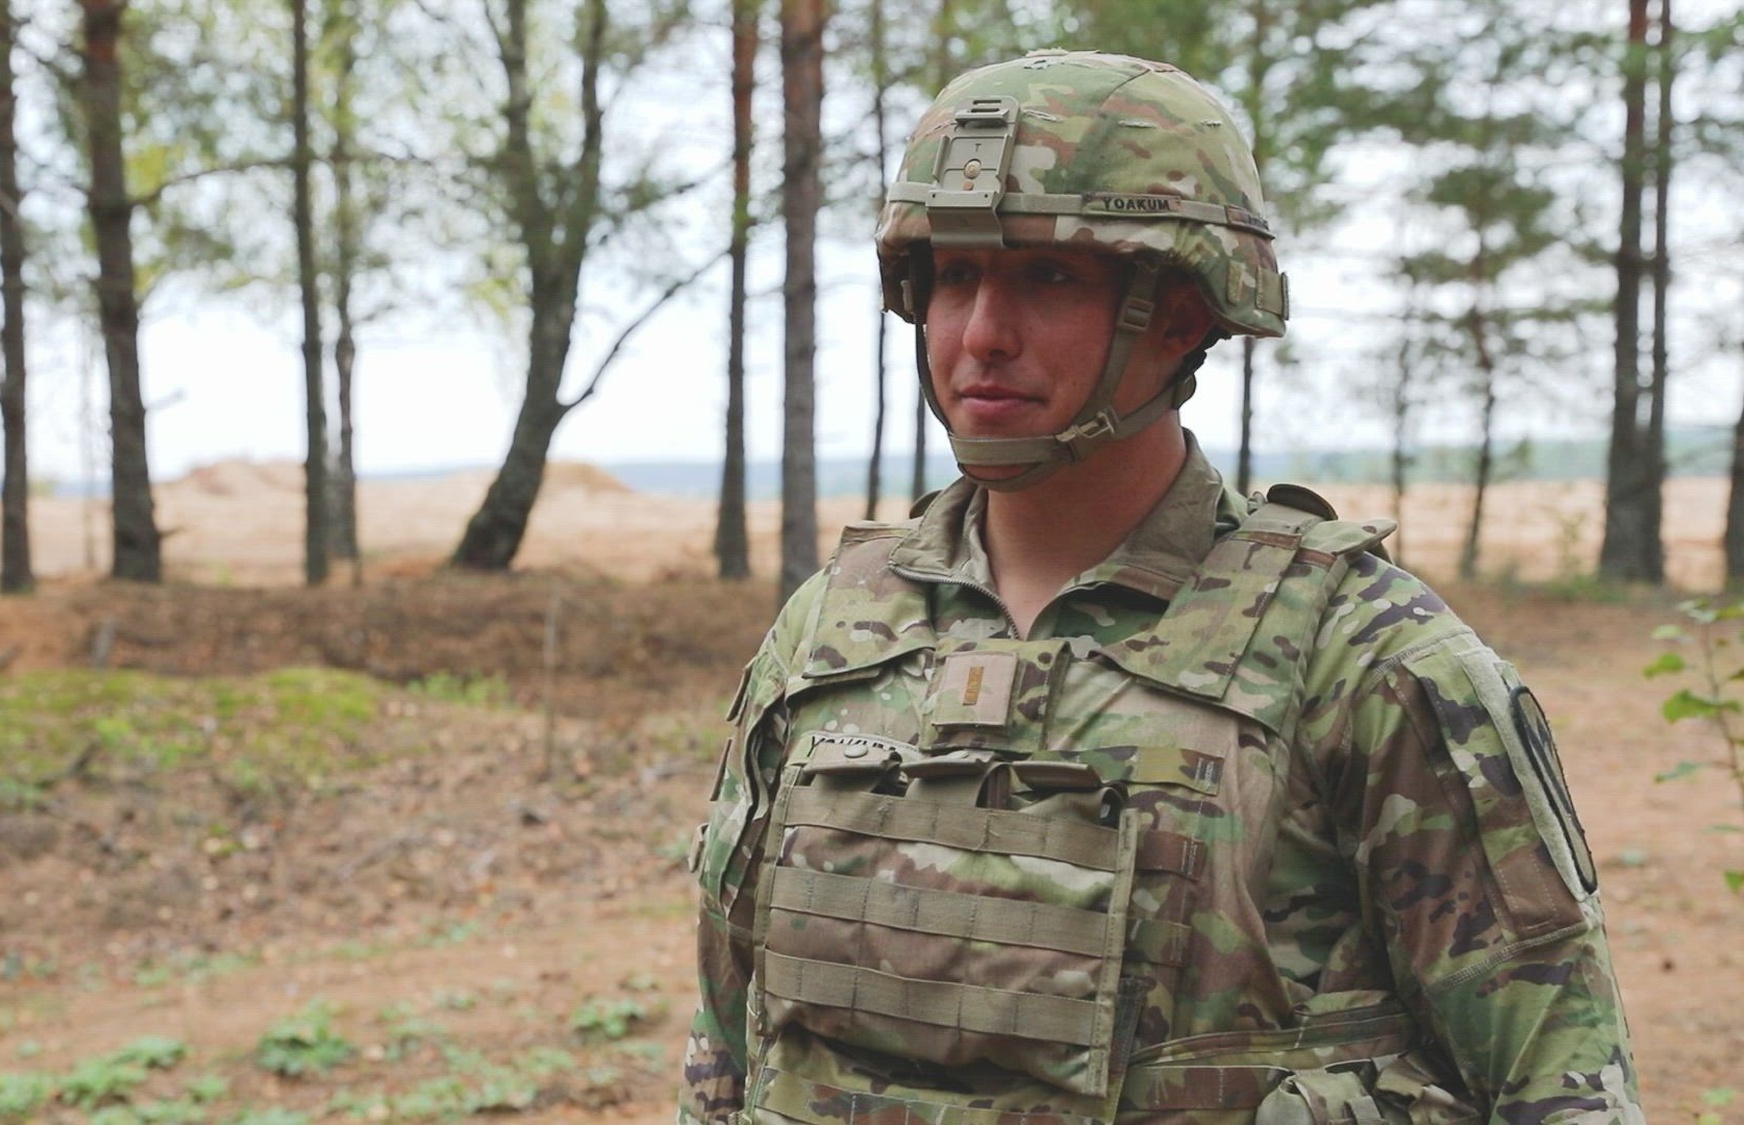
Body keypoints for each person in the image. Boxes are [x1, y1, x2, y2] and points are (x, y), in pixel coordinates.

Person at [679, 49, 1642, 1125]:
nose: (980, 335)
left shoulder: (1360, 656)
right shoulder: (835, 628)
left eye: (1047, 278)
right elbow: (730, 1038)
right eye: (954, 275)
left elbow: (1555, 1079)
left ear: (1180, 316)